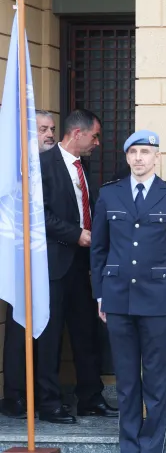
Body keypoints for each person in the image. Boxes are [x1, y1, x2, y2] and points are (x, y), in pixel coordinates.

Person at [91, 129, 166, 453]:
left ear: (157, 157)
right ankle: (129, 444)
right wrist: (100, 295)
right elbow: (98, 249)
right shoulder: (110, 195)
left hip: (156, 300)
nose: (138, 158)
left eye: (145, 152)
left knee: (156, 378)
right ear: (126, 157)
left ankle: (151, 445)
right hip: (118, 297)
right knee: (126, 378)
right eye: (133, 153)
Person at [36, 108, 117, 424]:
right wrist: (77, 235)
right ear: (77, 134)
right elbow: (38, 215)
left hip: (84, 267)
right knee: (51, 337)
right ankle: (49, 403)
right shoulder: (41, 165)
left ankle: (90, 398)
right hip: (54, 265)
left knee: (87, 335)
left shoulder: (84, 168)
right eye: (95, 136)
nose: (98, 143)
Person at [1, 110, 58, 418]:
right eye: (42, 129)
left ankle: (39, 392)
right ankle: (15, 395)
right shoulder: (16, 169)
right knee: (19, 325)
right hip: (20, 260)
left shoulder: (49, 167)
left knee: (45, 328)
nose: (49, 134)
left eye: (51, 129)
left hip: (49, 262)